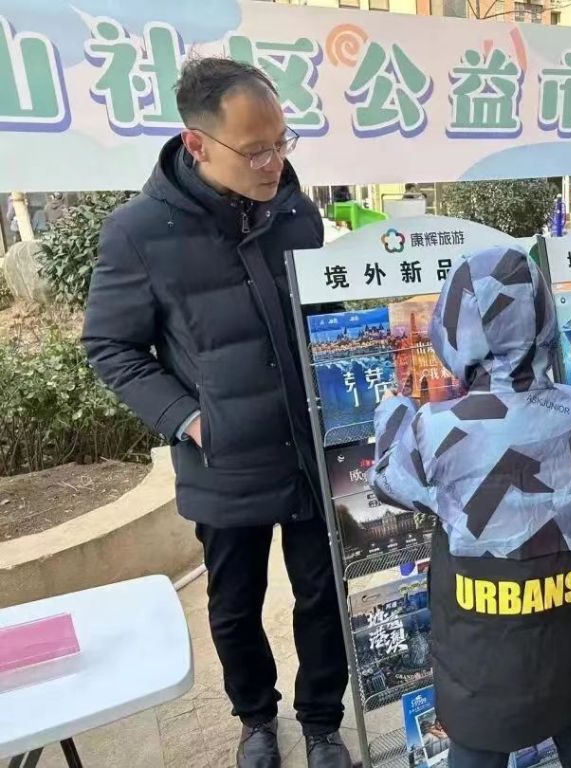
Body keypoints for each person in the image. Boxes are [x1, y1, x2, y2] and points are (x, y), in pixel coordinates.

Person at [82, 58, 352, 768]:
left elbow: (322, 315)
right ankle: (256, 720)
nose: (274, 163)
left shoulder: (295, 212)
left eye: (282, 142)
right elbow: (110, 345)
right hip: (224, 461)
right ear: (197, 144)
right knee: (235, 604)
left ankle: (322, 722)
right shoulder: (139, 232)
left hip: (309, 450)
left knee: (323, 594)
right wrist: (188, 417)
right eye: (255, 150)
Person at [367, 245, 571, 768]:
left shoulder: (434, 428)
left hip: (480, 645)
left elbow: (388, 480)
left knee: (477, 744)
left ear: (453, 326)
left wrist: (393, 413)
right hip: (569, 624)